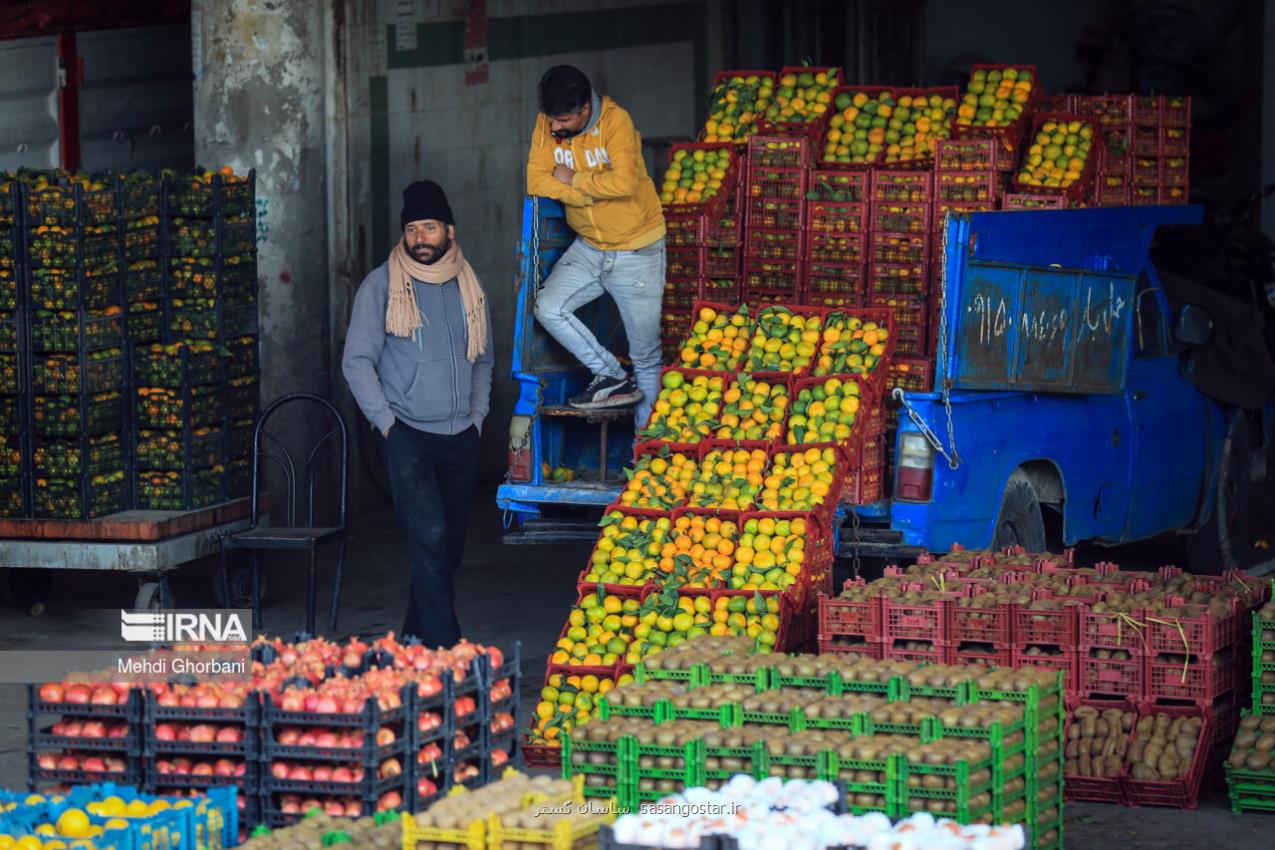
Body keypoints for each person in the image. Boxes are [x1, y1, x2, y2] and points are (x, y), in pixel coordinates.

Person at [341, 180, 494, 649]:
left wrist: (478, 415)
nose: (420, 238)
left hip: (459, 434)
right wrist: (387, 424)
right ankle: (449, 648)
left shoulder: (469, 285)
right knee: (429, 536)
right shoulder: (382, 285)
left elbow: (483, 355)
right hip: (407, 434)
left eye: (429, 228)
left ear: (449, 230)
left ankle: (412, 640)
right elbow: (356, 361)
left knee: (446, 550)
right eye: (411, 229)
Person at [527, 64, 665, 426]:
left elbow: (624, 184)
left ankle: (643, 458)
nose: (554, 128)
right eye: (550, 119)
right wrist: (586, 198)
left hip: (637, 249)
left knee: (646, 357)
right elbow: (535, 179)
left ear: (584, 110)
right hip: (589, 246)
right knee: (548, 306)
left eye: (561, 120)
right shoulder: (548, 121)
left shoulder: (616, 122)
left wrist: (575, 179)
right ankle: (611, 375)